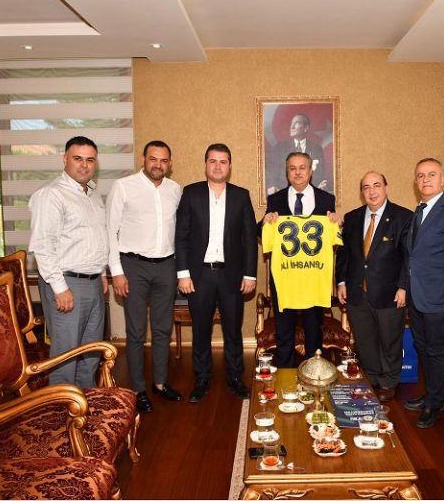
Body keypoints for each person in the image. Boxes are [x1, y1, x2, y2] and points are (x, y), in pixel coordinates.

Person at [175, 143, 258, 403]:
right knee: (201, 330)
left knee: (233, 330)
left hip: (231, 276)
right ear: (206, 165)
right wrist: (183, 273)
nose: (218, 166)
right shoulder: (191, 193)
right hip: (199, 276)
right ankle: (202, 380)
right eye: (213, 161)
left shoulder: (241, 196)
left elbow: (248, 239)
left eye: (223, 162)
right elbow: (181, 236)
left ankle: (235, 379)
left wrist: (250, 274)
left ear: (229, 166)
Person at [106, 140, 182, 413]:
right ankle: (137, 389)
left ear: (169, 164)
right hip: (133, 266)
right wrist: (116, 272)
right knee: (136, 331)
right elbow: (110, 231)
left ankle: (160, 383)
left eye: (163, 160)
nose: (158, 165)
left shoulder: (175, 190)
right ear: (143, 159)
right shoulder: (123, 186)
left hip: (166, 266)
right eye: (153, 159)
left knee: (162, 329)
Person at [29, 135, 109, 388]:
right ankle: (62, 409)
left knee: (90, 353)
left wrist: (102, 273)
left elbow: (93, 237)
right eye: (78, 158)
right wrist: (59, 288)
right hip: (66, 284)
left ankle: (85, 404)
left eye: (90, 160)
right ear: (65, 159)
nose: (84, 165)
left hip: (93, 283)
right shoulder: (51, 195)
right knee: (66, 356)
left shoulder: (92, 195)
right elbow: (43, 246)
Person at [400, 158, 444, 428]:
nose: (425, 179)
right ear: (415, 182)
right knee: (422, 347)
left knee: (436, 350)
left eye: (431, 174)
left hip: (440, 299)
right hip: (417, 297)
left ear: (442, 180)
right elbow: (413, 257)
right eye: (420, 175)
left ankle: (435, 403)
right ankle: (430, 395)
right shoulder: (419, 212)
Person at [335, 172, 413, 402]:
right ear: (362, 192)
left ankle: (389, 381)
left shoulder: (403, 217)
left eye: (376, 185)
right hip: (357, 291)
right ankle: (372, 377)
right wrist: (341, 282)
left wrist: (404, 287)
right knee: (365, 339)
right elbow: (344, 254)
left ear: (386, 188)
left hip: (390, 292)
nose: (372, 191)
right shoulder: (352, 218)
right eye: (366, 187)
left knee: (390, 340)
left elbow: (409, 257)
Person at [260, 152, 339, 368]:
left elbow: (335, 236)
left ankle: (313, 372)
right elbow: (262, 232)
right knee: (283, 331)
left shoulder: (326, 199)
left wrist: (337, 222)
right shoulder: (275, 199)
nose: (297, 172)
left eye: (302, 167)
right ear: (287, 172)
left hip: (313, 278)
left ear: (310, 171)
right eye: (292, 168)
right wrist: (265, 221)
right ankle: (285, 374)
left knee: (314, 331)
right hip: (285, 277)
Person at [266, 114, 331, 195]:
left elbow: (320, 174)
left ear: (305, 128)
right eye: (291, 123)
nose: (292, 127)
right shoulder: (280, 147)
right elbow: (272, 171)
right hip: (284, 194)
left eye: (296, 123)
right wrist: (271, 186)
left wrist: (321, 185)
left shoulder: (317, 149)